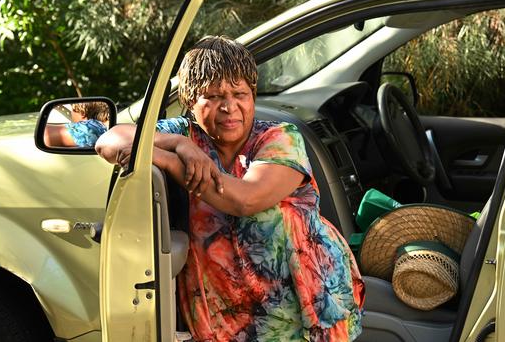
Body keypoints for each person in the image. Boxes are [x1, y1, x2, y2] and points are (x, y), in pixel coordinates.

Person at [95, 36, 365, 341]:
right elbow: (110, 140)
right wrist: (179, 145)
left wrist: (170, 163)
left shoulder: (280, 138)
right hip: (221, 314)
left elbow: (245, 200)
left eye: (240, 94)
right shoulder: (185, 135)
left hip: (303, 306)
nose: (229, 107)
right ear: (189, 102)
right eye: (213, 96)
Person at [44, 101, 109, 148]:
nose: (71, 114)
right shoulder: (102, 127)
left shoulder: (92, 128)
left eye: (72, 110)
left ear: (83, 113)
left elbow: (46, 134)